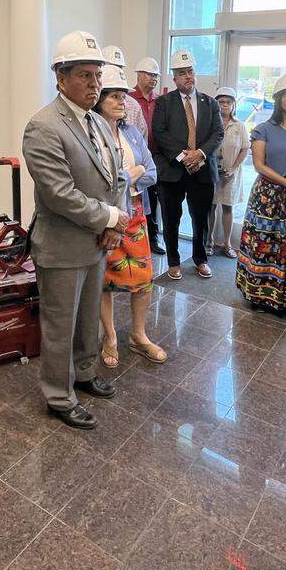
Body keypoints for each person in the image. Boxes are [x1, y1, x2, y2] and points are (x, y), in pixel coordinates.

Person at [22, 30, 128, 430]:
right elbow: (59, 194)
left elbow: (116, 177)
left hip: (97, 243)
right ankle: (58, 395)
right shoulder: (44, 126)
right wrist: (110, 218)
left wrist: (113, 226)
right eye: (84, 75)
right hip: (62, 247)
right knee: (60, 326)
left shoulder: (97, 121)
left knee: (86, 320)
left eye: (97, 75)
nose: (94, 83)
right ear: (61, 77)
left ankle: (83, 373)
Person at [93, 64, 167, 367]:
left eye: (123, 96)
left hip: (135, 213)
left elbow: (152, 172)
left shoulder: (132, 133)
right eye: (113, 96)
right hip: (106, 214)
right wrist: (130, 174)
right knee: (104, 280)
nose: (121, 101)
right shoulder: (90, 135)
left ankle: (139, 335)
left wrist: (126, 177)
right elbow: (99, 181)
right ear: (99, 100)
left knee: (143, 278)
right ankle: (110, 337)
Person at [235, 74, 286, 315]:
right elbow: (259, 165)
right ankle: (257, 295)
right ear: (278, 99)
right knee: (263, 244)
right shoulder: (263, 129)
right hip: (267, 197)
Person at [151, 49, 224, 280]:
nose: (188, 76)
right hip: (172, 171)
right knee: (171, 219)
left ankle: (200, 259)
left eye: (190, 71)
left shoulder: (210, 103)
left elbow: (218, 133)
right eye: (182, 73)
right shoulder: (163, 102)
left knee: (200, 219)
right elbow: (159, 133)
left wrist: (199, 154)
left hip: (202, 171)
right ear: (174, 78)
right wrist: (184, 157)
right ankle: (173, 262)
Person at [207, 87, 250, 259]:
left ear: (233, 105)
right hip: (211, 173)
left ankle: (227, 243)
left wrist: (233, 168)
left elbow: (245, 149)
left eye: (228, 102)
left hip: (231, 174)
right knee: (210, 207)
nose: (224, 105)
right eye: (221, 102)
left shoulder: (239, 126)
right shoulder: (210, 124)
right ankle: (209, 241)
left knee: (228, 207)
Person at [129, 57, 165, 255]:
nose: (153, 79)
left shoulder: (160, 101)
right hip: (135, 159)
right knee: (137, 199)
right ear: (139, 75)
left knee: (153, 200)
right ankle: (135, 239)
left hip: (156, 158)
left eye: (156, 76)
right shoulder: (129, 98)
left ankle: (153, 239)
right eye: (150, 75)